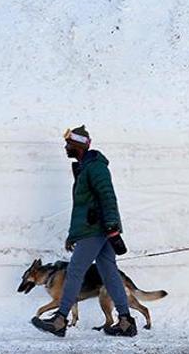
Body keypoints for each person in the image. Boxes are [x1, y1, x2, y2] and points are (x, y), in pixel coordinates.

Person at [31, 125, 137, 338]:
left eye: (69, 144)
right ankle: (125, 321)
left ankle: (60, 319)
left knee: (74, 272)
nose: (65, 147)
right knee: (109, 272)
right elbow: (84, 206)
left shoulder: (95, 167)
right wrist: (74, 234)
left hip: (96, 229)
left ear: (78, 146)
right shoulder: (85, 167)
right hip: (94, 228)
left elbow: (107, 196)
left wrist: (112, 227)